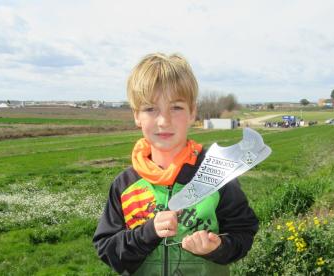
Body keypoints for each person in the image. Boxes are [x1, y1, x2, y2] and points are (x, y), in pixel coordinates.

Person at [93, 53, 259, 276]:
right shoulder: (124, 185)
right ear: (136, 116)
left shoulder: (218, 175)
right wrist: (147, 233)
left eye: (176, 107)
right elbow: (107, 250)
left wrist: (216, 247)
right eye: (151, 109)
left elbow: (243, 234)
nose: (164, 121)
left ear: (192, 113)